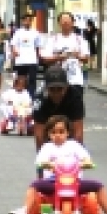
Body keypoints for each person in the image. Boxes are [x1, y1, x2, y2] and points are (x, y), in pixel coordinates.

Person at [7, 115, 107, 214]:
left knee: (98, 185)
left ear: (68, 133)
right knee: (34, 185)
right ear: (49, 134)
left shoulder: (74, 145)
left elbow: (86, 158)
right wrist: (46, 164)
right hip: (53, 181)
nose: (57, 135)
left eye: (61, 132)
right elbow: (40, 161)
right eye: (53, 132)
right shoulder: (47, 147)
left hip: (75, 181)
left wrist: (87, 163)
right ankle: (24, 212)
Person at [37, 12, 90, 144]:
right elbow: (44, 58)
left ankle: (70, 143)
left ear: (73, 23)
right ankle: (53, 140)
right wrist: (59, 57)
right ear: (59, 23)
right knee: (52, 115)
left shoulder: (79, 40)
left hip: (74, 80)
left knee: (72, 114)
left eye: (68, 21)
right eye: (63, 21)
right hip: (54, 81)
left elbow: (86, 58)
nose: (66, 24)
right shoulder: (52, 40)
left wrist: (76, 55)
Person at [10, 13, 40, 99]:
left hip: (32, 61)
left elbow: (37, 47)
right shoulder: (18, 32)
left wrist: (37, 59)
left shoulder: (35, 33)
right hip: (21, 61)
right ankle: (21, 97)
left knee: (32, 81)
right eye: (26, 20)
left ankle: (31, 98)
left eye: (29, 20)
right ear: (22, 21)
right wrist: (14, 52)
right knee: (21, 81)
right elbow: (13, 45)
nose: (27, 22)